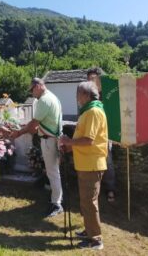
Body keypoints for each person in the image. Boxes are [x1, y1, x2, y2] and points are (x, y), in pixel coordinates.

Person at [59, 81, 108, 250]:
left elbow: (89, 140)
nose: (76, 98)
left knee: (89, 202)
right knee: (86, 201)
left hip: (92, 164)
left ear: (86, 95)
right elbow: (84, 138)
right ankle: (89, 231)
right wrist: (69, 147)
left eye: (78, 94)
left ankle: (95, 239)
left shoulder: (93, 112)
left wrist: (68, 141)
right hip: (86, 163)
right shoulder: (88, 111)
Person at [11, 78, 64, 218]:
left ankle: (56, 203)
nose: (32, 93)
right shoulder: (52, 97)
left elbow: (34, 125)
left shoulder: (44, 100)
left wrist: (19, 132)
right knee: (53, 171)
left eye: (33, 89)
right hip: (53, 139)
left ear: (39, 86)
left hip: (48, 140)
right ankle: (56, 199)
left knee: (53, 172)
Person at [87, 67, 116, 202]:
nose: (90, 82)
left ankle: (110, 189)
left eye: (93, 79)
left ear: (100, 79)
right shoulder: (87, 97)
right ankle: (94, 190)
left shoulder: (108, 95)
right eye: (88, 80)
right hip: (90, 134)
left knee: (107, 162)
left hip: (105, 134)